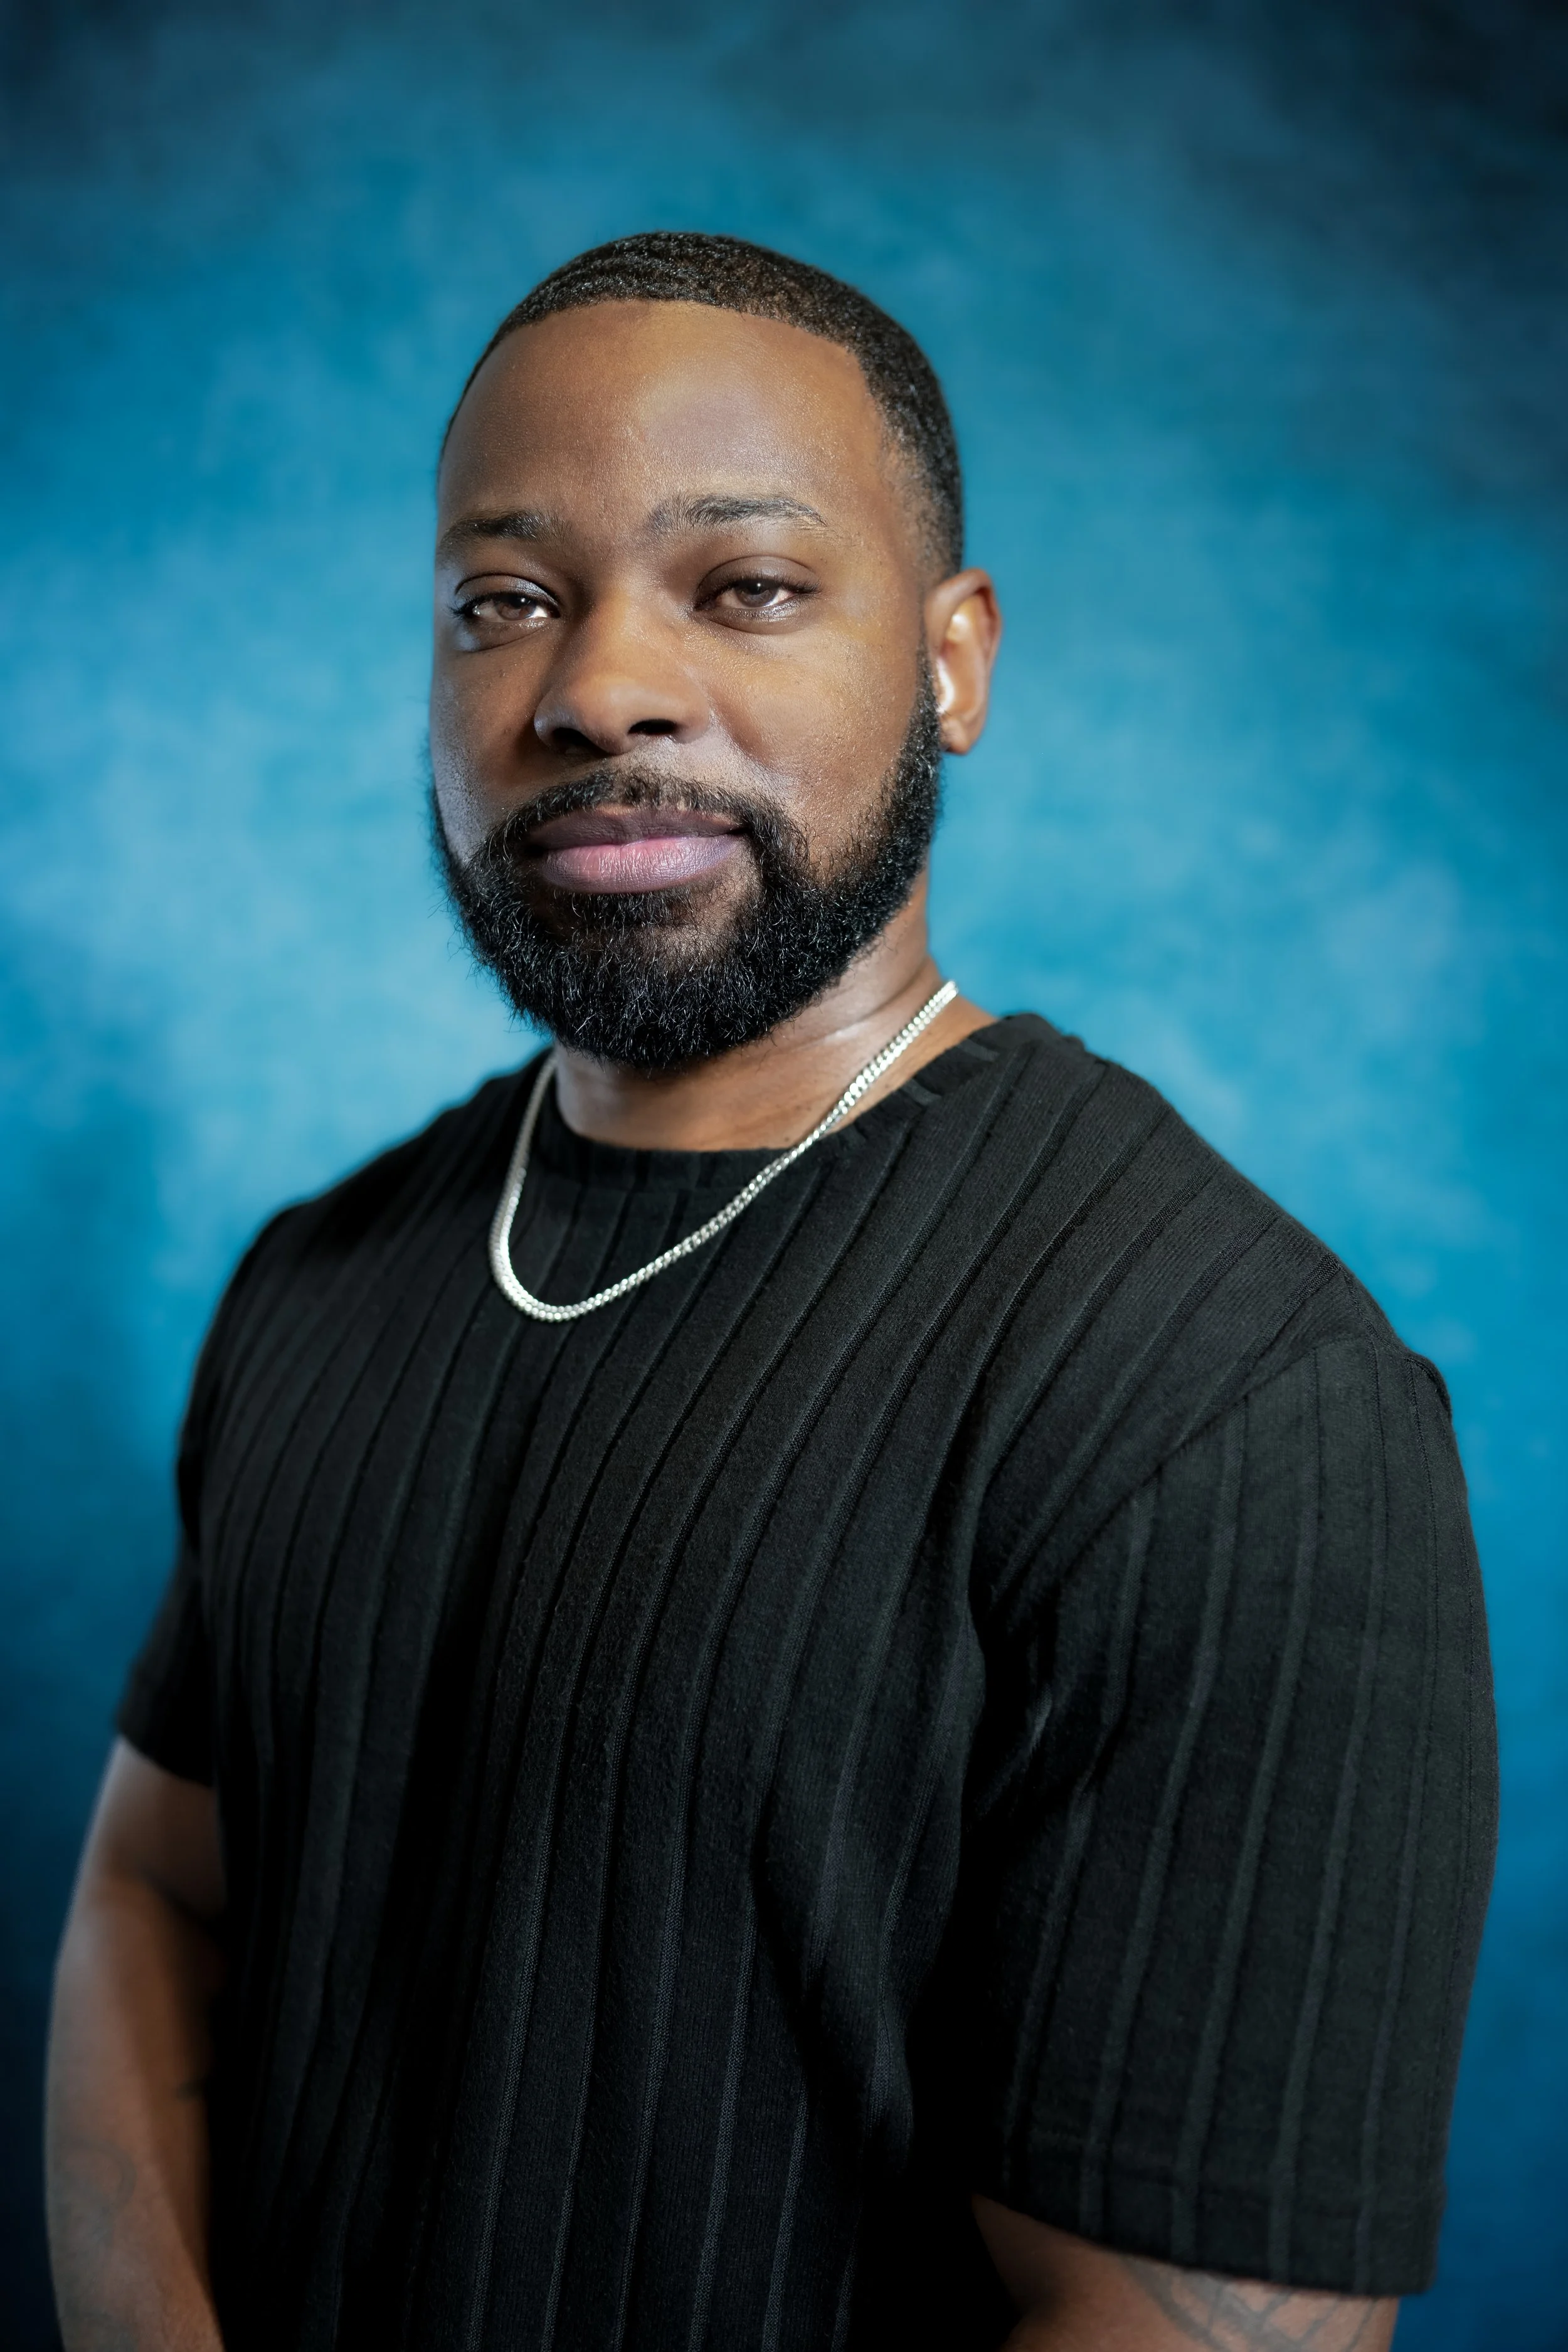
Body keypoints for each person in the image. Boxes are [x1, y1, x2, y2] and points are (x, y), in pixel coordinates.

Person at [45, 232, 1496, 2352]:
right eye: (505, 598)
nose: (594, 686)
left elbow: (1192, 2325)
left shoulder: (1234, 1396)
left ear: (953, 661)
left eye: (743, 587)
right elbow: (157, 1894)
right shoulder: (318, 1273)